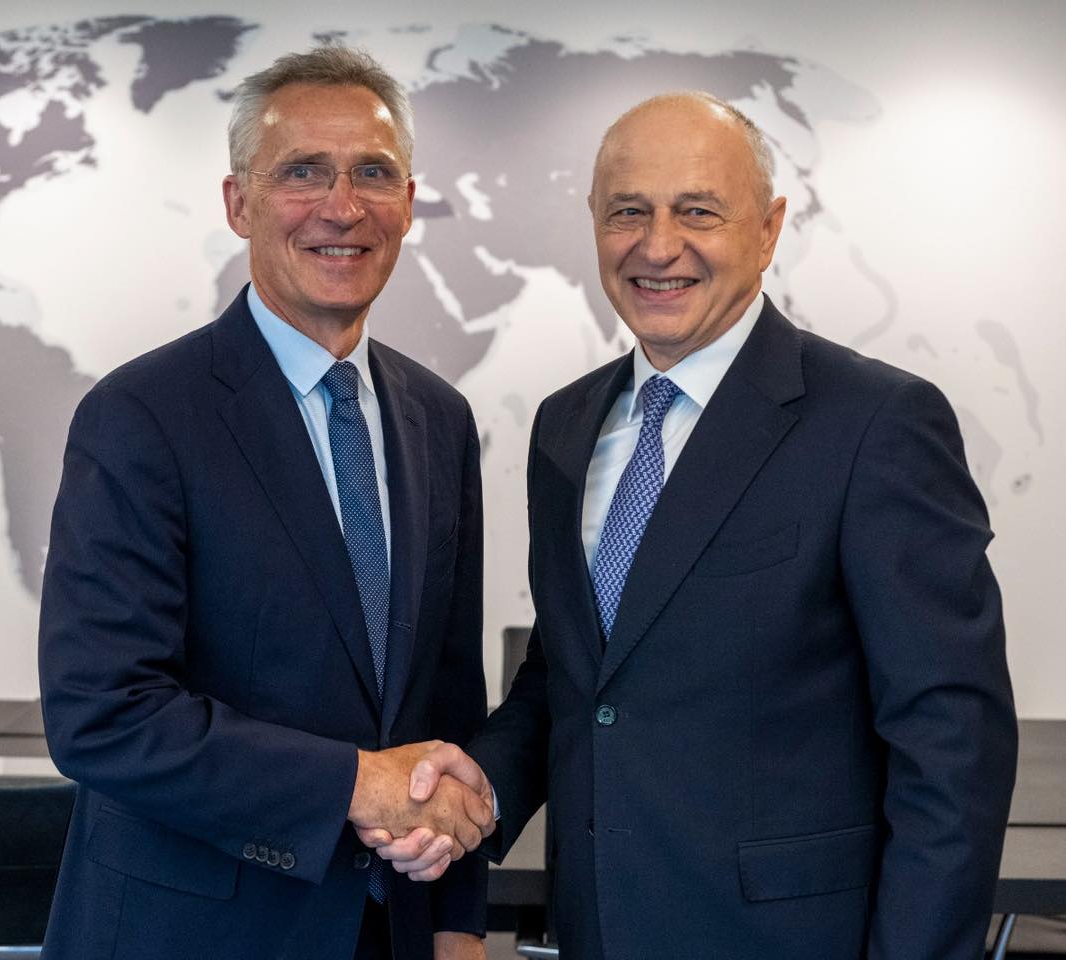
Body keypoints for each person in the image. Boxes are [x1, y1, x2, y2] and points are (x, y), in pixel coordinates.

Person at [370, 92, 1018, 959]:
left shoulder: (876, 424)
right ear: (595, 222)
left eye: (698, 211)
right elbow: (575, 677)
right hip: (598, 931)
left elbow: (954, 746)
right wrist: (484, 784)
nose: (658, 245)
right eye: (627, 212)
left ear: (769, 229)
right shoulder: (566, 426)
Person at [37, 47, 492, 960]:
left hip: (390, 933)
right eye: (302, 172)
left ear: (408, 202)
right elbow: (103, 713)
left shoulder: (439, 420)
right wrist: (353, 784)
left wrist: (457, 924)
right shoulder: (141, 415)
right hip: (192, 935)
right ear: (238, 202)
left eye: (373, 174)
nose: (342, 207)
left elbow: (448, 700)